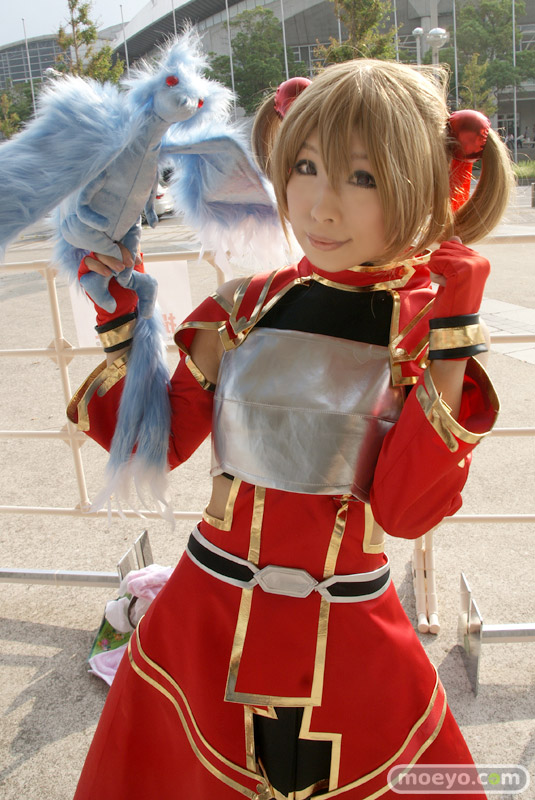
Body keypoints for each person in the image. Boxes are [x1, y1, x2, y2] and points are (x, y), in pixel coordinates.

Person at [68, 60, 512, 800]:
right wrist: (121, 317)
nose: (320, 207)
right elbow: (156, 445)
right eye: (305, 167)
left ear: (428, 185)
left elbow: (404, 510)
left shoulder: (423, 325)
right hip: (206, 611)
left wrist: (451, 341)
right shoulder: (242, 307)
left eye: (363, 177)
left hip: (348, 622)